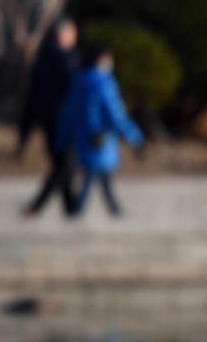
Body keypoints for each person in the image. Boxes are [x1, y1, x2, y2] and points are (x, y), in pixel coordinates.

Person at [56, 45, 143, 217]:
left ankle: (108, 208)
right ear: (101, 60)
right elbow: (116, 115)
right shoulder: (104, 83)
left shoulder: (78, 82)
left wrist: (62, 139)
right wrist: (135, 136)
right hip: (102, 139)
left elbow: (68, 114)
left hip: (84, 140)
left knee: (95, 174)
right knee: (95, 175)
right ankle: (87, 209)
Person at [16, 18, 80, 216]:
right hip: (63, 123)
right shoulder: (67, 61)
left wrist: (24, 132)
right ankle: (38, 206)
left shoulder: (43, 60)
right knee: (65, 165)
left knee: (64, 165)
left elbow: (31, 100)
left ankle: (71, 208)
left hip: (48, 122)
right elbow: (76, 96)